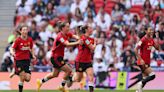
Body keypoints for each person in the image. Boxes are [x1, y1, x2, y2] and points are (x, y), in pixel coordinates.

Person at [36, 22, 80, 92]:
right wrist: (78, 42)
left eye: (69, 26)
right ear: (62, 28)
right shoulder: (60, 36)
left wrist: (80, 38)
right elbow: (67, 44)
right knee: (69, 70)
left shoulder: (67, 33)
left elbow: (74, 36)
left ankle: (40, 82)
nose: (69, 28)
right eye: (67, 27)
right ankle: (61, 86)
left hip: (58, 57)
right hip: (56, 57)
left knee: (54, 74)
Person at [10, 25, 36, 92]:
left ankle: (16, 72)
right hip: (19, 60)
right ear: (21, 31)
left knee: (28, 79)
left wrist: (33, 55)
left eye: (26, 30)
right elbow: (12, 48)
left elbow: (31, 48)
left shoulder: (30, 39)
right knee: (22, 77)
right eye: (23, 30)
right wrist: (12, 52)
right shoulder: (18, 40)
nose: (25, 31)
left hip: (27, 61)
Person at [70, 25, 96, 92]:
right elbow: (92, 48)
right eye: (90, 28)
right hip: (80, 61)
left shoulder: (91, 39)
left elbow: (92, 50)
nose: (92, 29)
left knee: (91, 77)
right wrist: (95, 43)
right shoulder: (84, 38)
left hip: (88, 61)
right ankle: (71, 79)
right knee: (78, 79)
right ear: (87, 30)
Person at [134, 27, 160, 92]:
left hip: (147, 61)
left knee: (145, 79)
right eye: (150, 30)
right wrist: (140, 59)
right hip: (142, 61)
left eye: (152, 30)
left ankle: (138, 91)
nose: (152, 31)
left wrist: (157, 38)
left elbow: (157, 48)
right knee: (152, 75)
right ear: (146, 31)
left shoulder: (151, 39)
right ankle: (140, 83)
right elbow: (135, 49)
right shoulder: (143, 40)